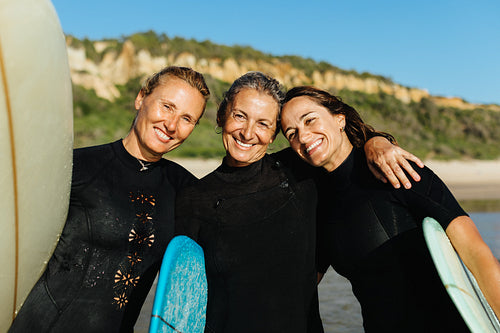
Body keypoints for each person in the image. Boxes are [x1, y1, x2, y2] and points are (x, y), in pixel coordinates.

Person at [174, 72, 423, 333]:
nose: (248, 133)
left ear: (273, 135)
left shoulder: (300, 172)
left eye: (263, 123)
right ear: (222, 116)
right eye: (240, 116)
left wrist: (376, 142)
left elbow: (340, 148)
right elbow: (183, 296)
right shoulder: (193, 198)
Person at [280, 85, 500, 332]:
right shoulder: (317, 204)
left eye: (310, 120)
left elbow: (478, 256)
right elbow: (302, 285)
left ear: (339, 118)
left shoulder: (397, 170)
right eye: (291, 133)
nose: (304, 136)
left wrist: (376, 141)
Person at [9, 66, 210, 333]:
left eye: (187, 119)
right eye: (167, 107)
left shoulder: (185, 189)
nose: (171, 125)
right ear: (141, 98)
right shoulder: (76, 167)